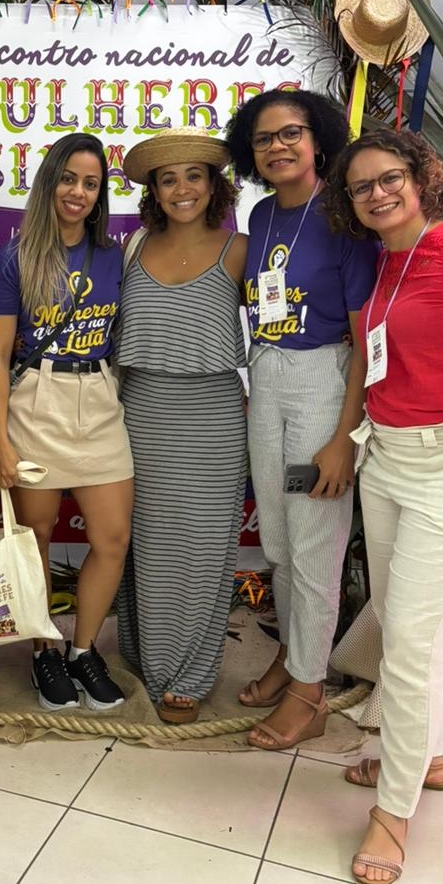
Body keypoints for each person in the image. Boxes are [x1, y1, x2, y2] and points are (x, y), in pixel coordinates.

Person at [322, 128, 443, 884]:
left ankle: (393, 813)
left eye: (389, 177)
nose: (377, 194)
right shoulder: (386, 263)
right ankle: (424, 755)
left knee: (406, 640)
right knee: (410, 628)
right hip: (388, 461)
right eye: (361, 186)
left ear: (422, 176)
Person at [226, 89, 378, 749]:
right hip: (268, 381)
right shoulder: (261, 215)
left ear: (317, 140)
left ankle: (310, 693)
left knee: (314, 543)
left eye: (291, 133)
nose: (278, 146)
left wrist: (343, 437)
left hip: (322, 387)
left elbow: (364, 339)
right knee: (281, 541)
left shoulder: (344, 217)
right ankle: (293, 658)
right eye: (264, 138)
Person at [0, 132, 133, 712]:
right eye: (68, 178)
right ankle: (45, 649)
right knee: (37, 537)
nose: (78, 192)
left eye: (91, 183)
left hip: (97, 397)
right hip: (36, 400)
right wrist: (0, 440)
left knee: (112, 538)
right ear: (49, 181)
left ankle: (84, 650)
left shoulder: (115, 256)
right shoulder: (15, 256)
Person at [117, 128, 248, 723]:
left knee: (200, 548)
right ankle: (145, 655)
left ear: (214, 185)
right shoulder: (132, 248)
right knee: (145, 542)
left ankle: (189, 673)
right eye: (168, 179)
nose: (182, 188)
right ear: (153, 191)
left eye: (194, 175)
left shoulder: (239, 250)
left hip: (213, 419)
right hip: (140, 413)